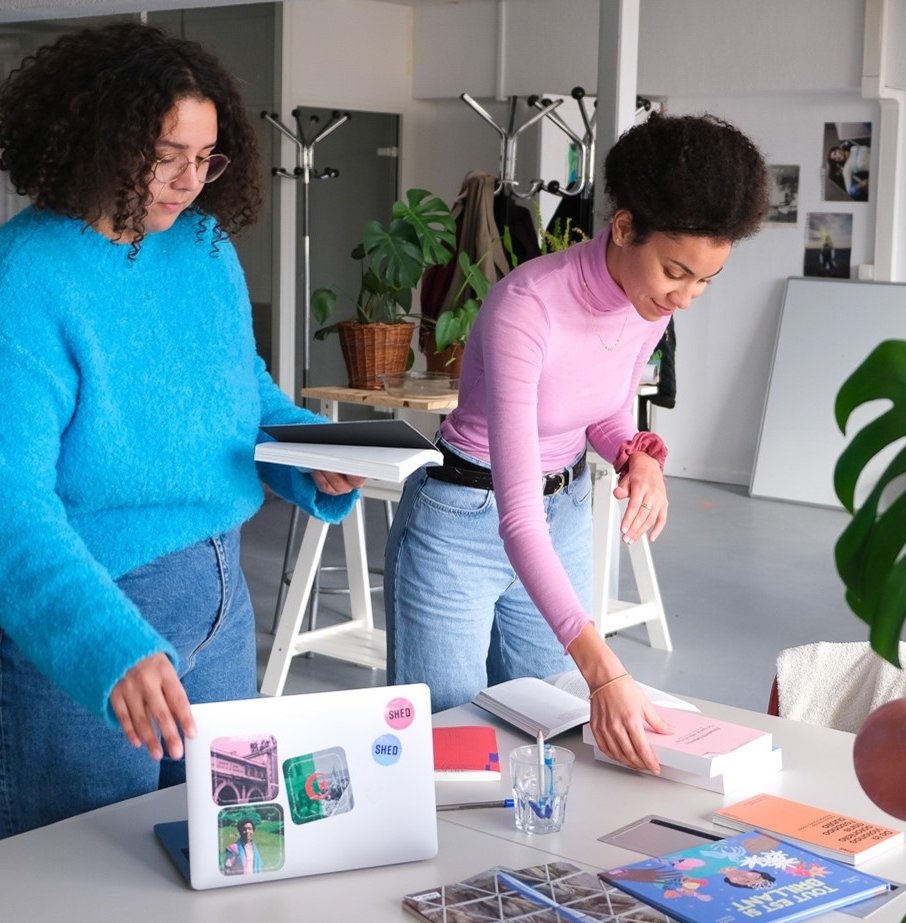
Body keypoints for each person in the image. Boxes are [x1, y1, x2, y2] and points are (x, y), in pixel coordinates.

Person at [0, 23, 362, 839]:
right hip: (91, 621)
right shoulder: (23, 279)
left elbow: (244, 392)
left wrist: (313, 451)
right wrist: (106, 643)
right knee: (87, 875)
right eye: (166, 154)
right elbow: (8, 502)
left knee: (235, 846)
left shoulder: (202, 247)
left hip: (224, 608)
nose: (190, 181)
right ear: (99, 139)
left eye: (206, 157)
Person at [385, 113, 769, 774]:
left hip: (560, 516)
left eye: (705, 279)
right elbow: (515, 517)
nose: (686, 296)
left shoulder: (645, 304)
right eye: (676, 271)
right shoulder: (525, 308)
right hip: (464, 525)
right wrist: (605, 668)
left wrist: (637, 454)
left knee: (550, 737)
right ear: (622, 228)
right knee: (446, 747)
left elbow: (603, 410)